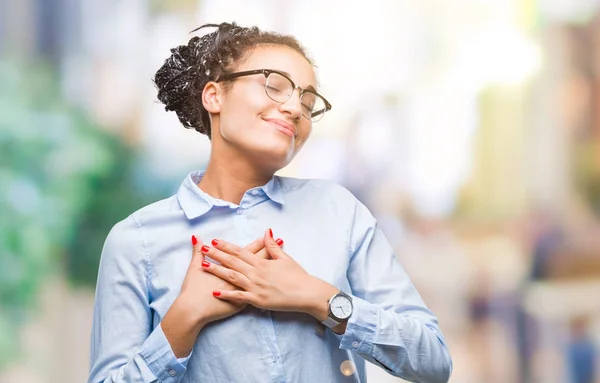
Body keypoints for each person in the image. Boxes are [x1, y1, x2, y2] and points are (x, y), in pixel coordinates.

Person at [88, 22, 452, 383]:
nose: (295, 108)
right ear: (214, 96)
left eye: (308, 103)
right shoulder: (137, 242)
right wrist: (183, 319)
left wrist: (320, 299)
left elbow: (432, 360)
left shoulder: (339, 212)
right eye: (274, 86)